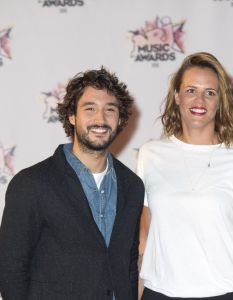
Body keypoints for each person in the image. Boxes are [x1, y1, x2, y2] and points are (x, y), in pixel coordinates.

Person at [137, 52, 233, 300]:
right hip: (158, 294)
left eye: (210, 92)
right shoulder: (150, 155)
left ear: (220, 101)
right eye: (191, 90)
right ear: (177, 96)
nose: (199, 99)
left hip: (223, 294)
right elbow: (144, 239)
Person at [0, 67, 144, 300]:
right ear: (71, 115)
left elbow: (128, 265)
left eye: (110, 110)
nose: (101, 119)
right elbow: (11, 271)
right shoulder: (31, 184)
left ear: (120, 118)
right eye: (90, 109)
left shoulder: (133, 186)